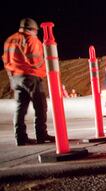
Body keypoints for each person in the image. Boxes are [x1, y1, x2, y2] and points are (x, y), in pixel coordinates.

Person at [2, 18, 55, 146]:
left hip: (15, 77)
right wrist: (45, 71)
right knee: (41, 106)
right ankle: (41, 134)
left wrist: (12, 75)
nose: (36, 33)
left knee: (20, 108)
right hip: (31, 76)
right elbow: (36, 61)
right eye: (36, 31)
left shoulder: (10, 39)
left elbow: (5, 59)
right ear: (32, 29)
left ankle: (20, 138)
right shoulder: (31, 39)